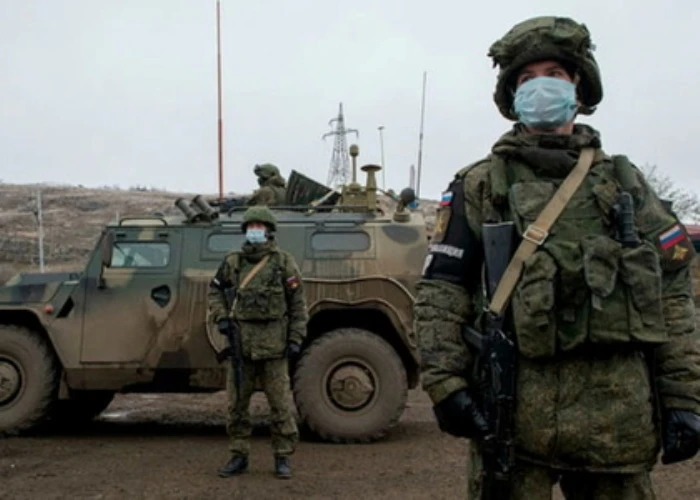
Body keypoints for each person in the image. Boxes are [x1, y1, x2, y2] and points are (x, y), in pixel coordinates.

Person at [414, 15, 700, 499]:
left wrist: (683, 395)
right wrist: (446, 385)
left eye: (554, 74)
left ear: (578, 88)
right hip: (516, 424)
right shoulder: (480, 185)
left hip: (617, 425)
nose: (540, 87)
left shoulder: (626, 184)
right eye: (527, 78)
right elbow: (443, 290)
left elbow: (672, 293)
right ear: (512, 96)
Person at [207, 205, 307, 479]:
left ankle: (283, 456)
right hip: (242, 346)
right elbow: (214, 290)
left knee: (280, 405)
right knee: (237, 406)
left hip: (274, 347)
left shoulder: (283, 263)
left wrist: (296, 338)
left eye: (259, 227)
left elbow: (298, 305)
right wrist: (222, 317)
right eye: (250, 227)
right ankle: (238, 454)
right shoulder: (233, 262)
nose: (254, 231)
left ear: (269, 231)